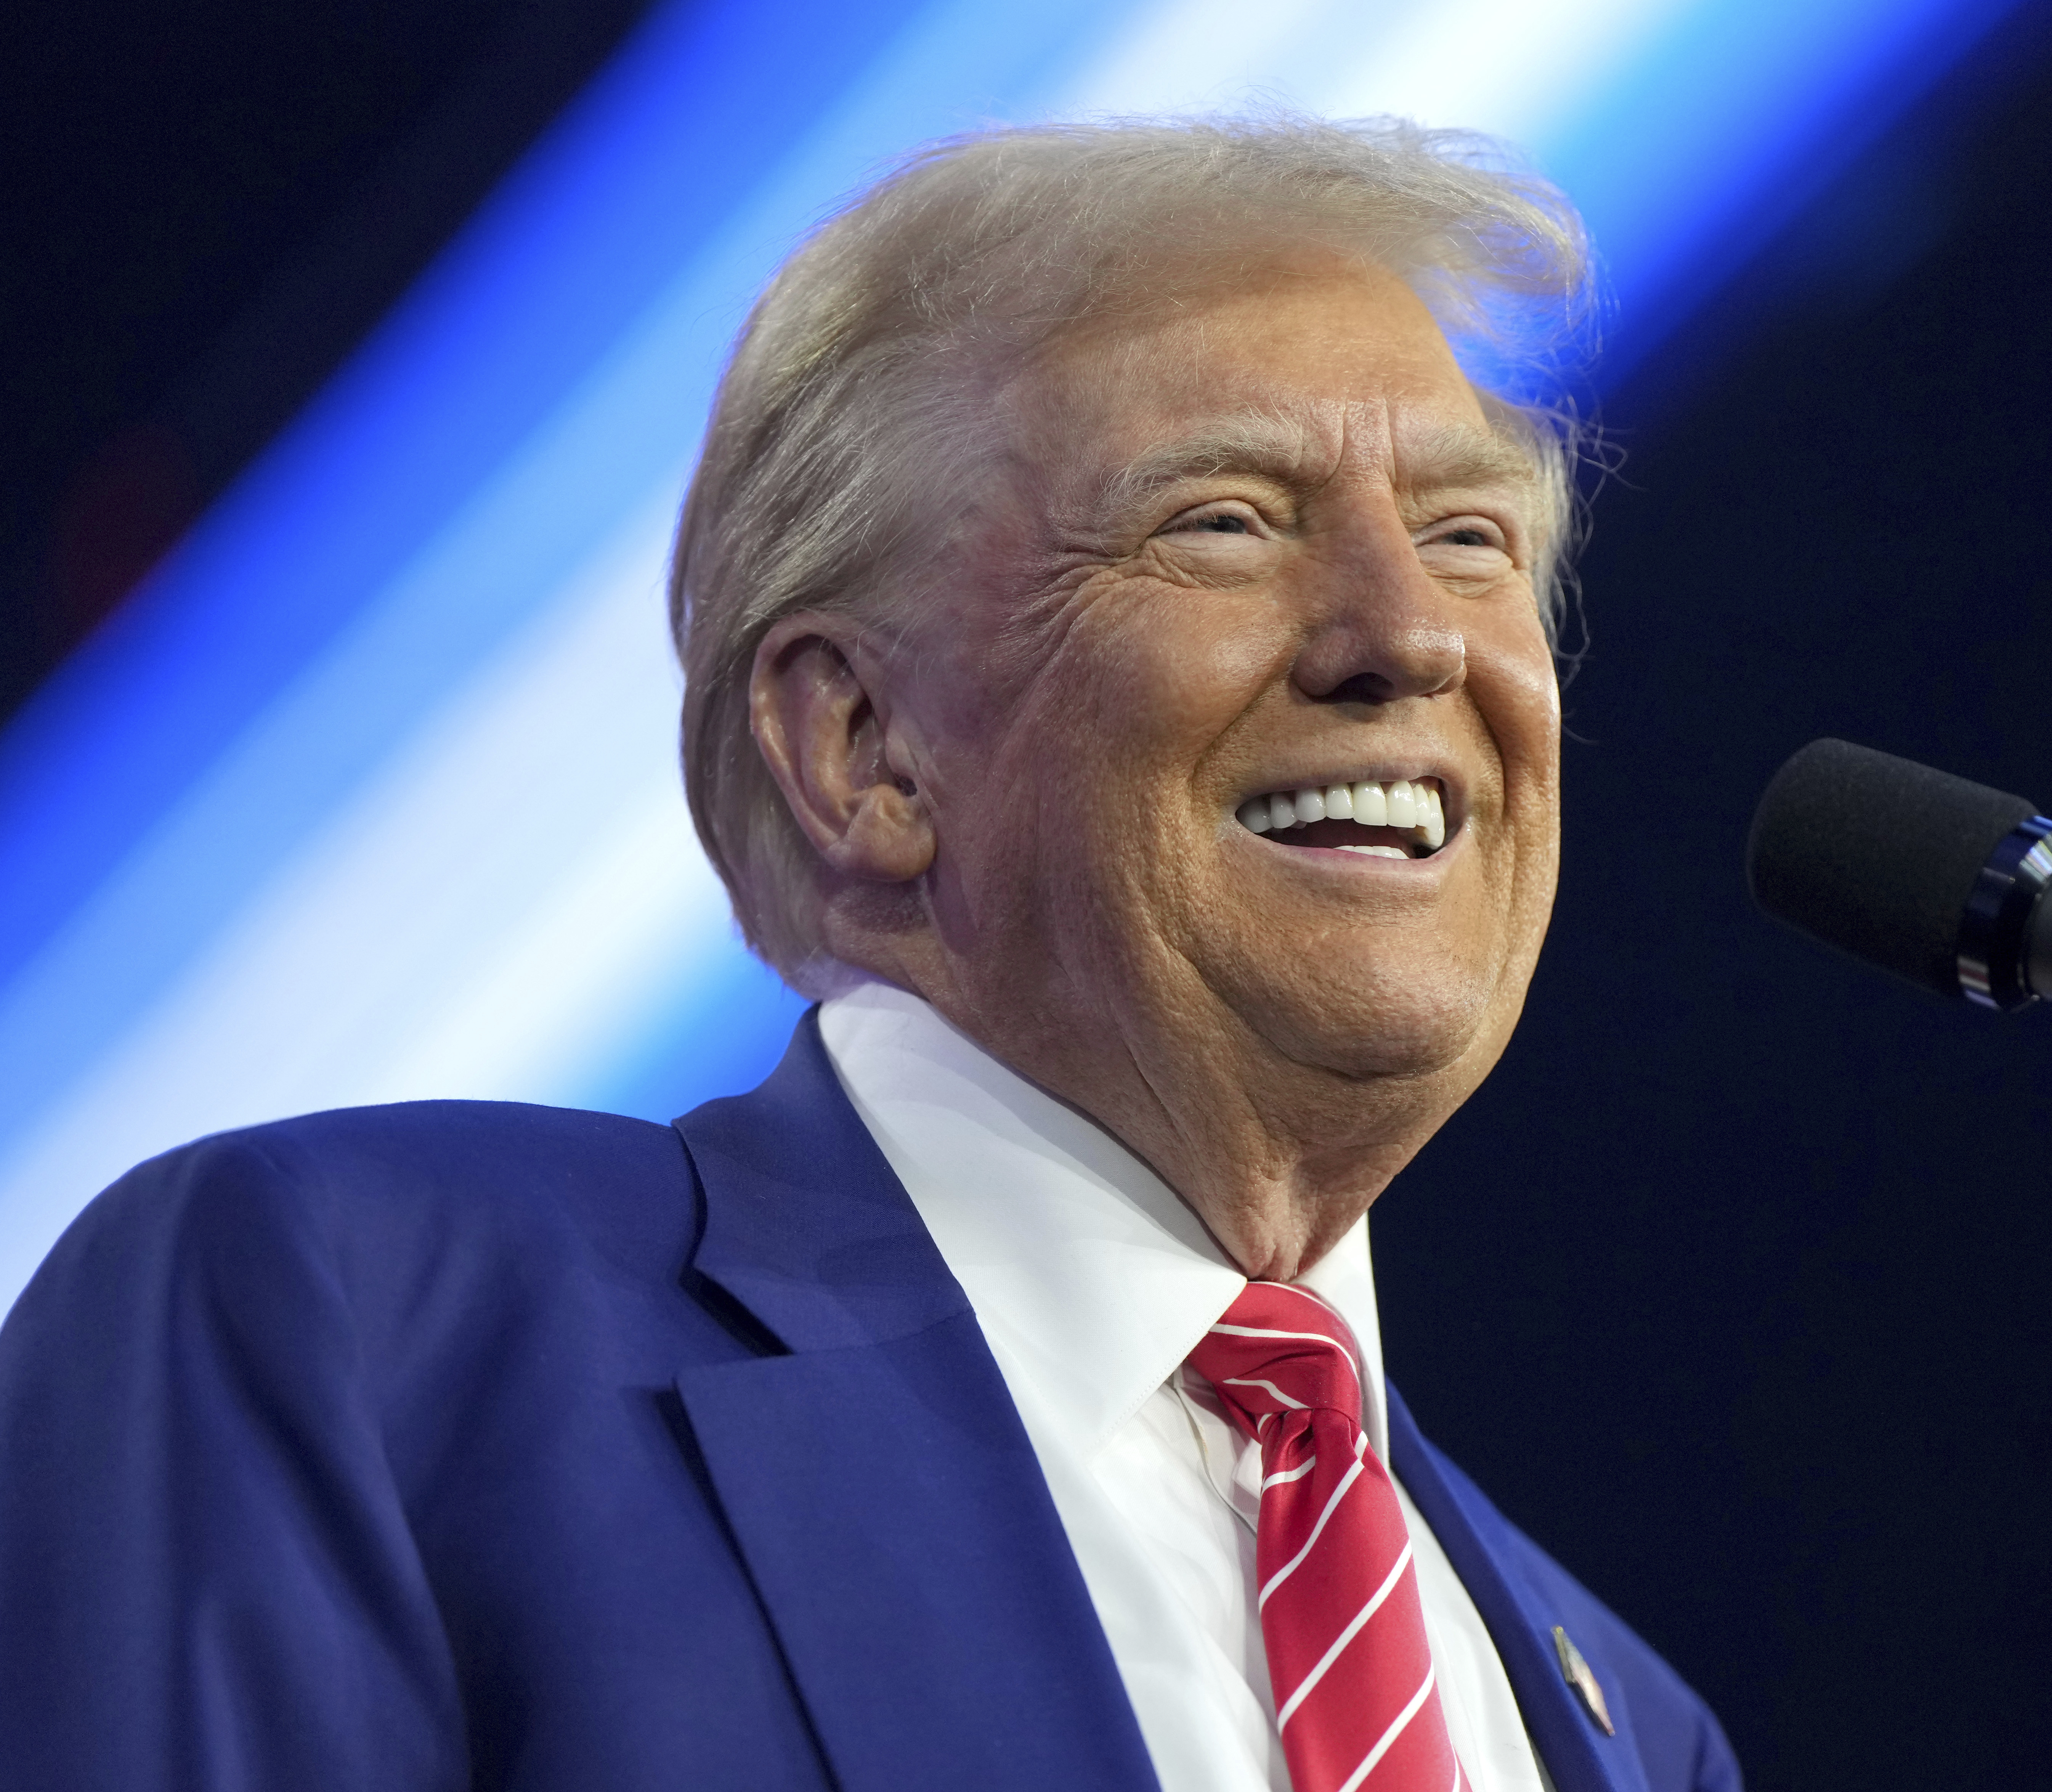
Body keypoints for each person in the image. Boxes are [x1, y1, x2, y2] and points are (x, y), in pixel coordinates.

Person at [0, 117, 1738, 1792]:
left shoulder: (1622, 1722)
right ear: (860, 749)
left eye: (1469, 537)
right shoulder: (370, 1327)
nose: (1410, 633)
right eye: (1223, 518)